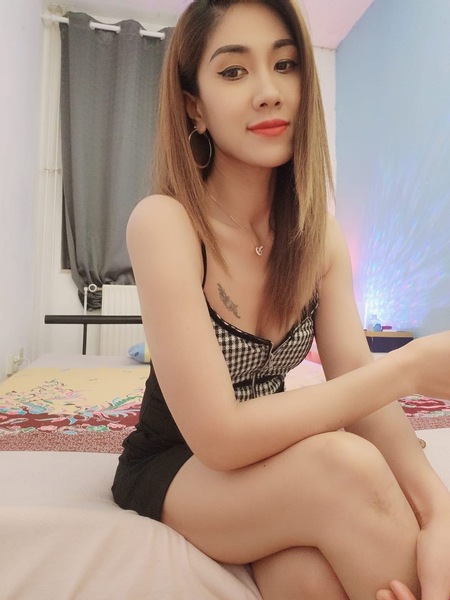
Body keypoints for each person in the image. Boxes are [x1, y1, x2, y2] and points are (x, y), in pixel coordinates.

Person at [112, 1, 450, 598]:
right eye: (233, 71)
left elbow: (358, 386)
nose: (269, 92)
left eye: (286, 64)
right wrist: (408, 369)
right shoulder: (165, 222)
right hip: (180, 464)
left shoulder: (318, 239)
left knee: (310, 581)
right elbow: (220, 436)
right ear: (195, 106)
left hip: (270, 459)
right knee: (345, 466)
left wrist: (439, 513)